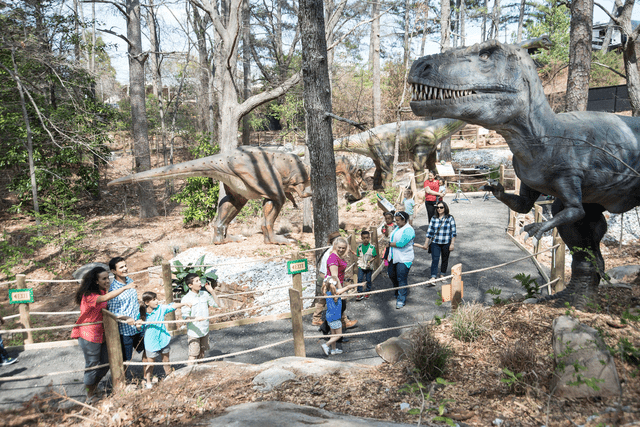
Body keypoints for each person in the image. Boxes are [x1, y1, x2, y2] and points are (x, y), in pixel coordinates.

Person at [71, 266, 135, 401]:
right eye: (104, 278)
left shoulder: (100, 291)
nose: (107, 281)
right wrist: (125, 287)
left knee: (106, 362)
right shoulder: (89, 295)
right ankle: (89, 395)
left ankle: (92, 387)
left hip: (101, 333)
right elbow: (105, 298)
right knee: (92, 363)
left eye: (108, 278)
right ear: (96, 281)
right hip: (88, 334)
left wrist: (124, 316)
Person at [135, 292, 190, 388]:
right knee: (150, 364)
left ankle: (169, 378)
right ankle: (148, 381)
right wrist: (138, 325)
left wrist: (183, 304)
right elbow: (139, 329)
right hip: (151, 342)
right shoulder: (142, 315)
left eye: (156, 299)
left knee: (166, 361)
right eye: (154, 299)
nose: (157, 301)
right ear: (147, 302)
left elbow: (171, 306)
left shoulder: (160, 309)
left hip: (163, 339)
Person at [107, 257, 147, 363]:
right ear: (113, 271)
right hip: (125, 331)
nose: (125, 268)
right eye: (121, 267)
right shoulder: (113, 290)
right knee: (125, 360)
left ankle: (146, 377)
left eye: (125, 266)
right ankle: (123, 379)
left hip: (138, 326)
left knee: (148, 350)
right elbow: (112, 313)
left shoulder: (130, 281)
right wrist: (126, 318)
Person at [324, 236, 359, 331]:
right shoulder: (333, 258)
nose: (341, 249)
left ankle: (328, 329)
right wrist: (341, 292)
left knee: (339, 309)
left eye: (343, 248)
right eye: (339, 247)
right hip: (334, 287)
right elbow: (334, 276)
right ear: (335, 246)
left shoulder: (338, 256)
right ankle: (335, 335)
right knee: (337, 310)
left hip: (338, 284)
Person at [181, 273, 218, 362]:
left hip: (204, 330)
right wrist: (195, 318)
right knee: (193, 355)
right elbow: (185, 317)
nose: (200, 283)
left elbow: (216, 304)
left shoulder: (204, 294)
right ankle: (189, 373)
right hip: (194, 332)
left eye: (199, 280)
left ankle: (199, 372)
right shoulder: (186, 299)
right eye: (196, 281)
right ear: (190, 285)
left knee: (202, 353)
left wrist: (212, 291)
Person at [320, 277, 360, 356]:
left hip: (329, 317)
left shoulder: (326, 292)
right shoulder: (337, 292)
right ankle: (326, 345)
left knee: (333, 334)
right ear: (335, 284)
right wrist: (360, 284)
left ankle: (333, 350)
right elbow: (348, 287)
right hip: (335, 318)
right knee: (339, 335)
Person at [312, 231, 342, 326]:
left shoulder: (331, 250)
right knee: (336, 297)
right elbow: (330, 270)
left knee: (322, 299)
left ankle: (316, 318)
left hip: (323, 276)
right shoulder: (331, 253)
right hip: (326, 277)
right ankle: (343, 320)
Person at [387, 211, 415, 309]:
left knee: (401, 278)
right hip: (394, 257)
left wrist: (389, 244)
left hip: (404, 258)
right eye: (396, 220)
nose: (396, 222)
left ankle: (401, 299)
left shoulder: (409, 230)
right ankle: (397, 290)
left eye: (398, 220)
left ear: (404, 220)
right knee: (391, 274)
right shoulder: (397, 228)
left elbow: (401, 243)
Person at [422, 201, 457, 279]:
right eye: (437, 207)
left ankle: (442, 274)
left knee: (445, 259)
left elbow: (453, 232)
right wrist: (426, 243)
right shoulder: (434, 218)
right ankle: (433, 276)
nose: (439, 209)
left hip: (446, 242)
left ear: (445, 208)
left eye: (441, 207)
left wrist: (452, 244)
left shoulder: (450, 218)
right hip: (435, 243)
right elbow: (429, 232)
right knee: (435, 259)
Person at [355, 230, 377, 301]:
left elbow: (374, 256)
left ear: (369, 238)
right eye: (364, 238)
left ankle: (368, 291)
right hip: (361, 265)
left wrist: (370, 261)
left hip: (369, 266)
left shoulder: (372, 247)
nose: (366, 239)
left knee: (368, 279)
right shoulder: (359, 247)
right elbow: (358, 255)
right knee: (360, 279)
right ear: (361, 238)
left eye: (367, 238)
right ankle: (359, 292)